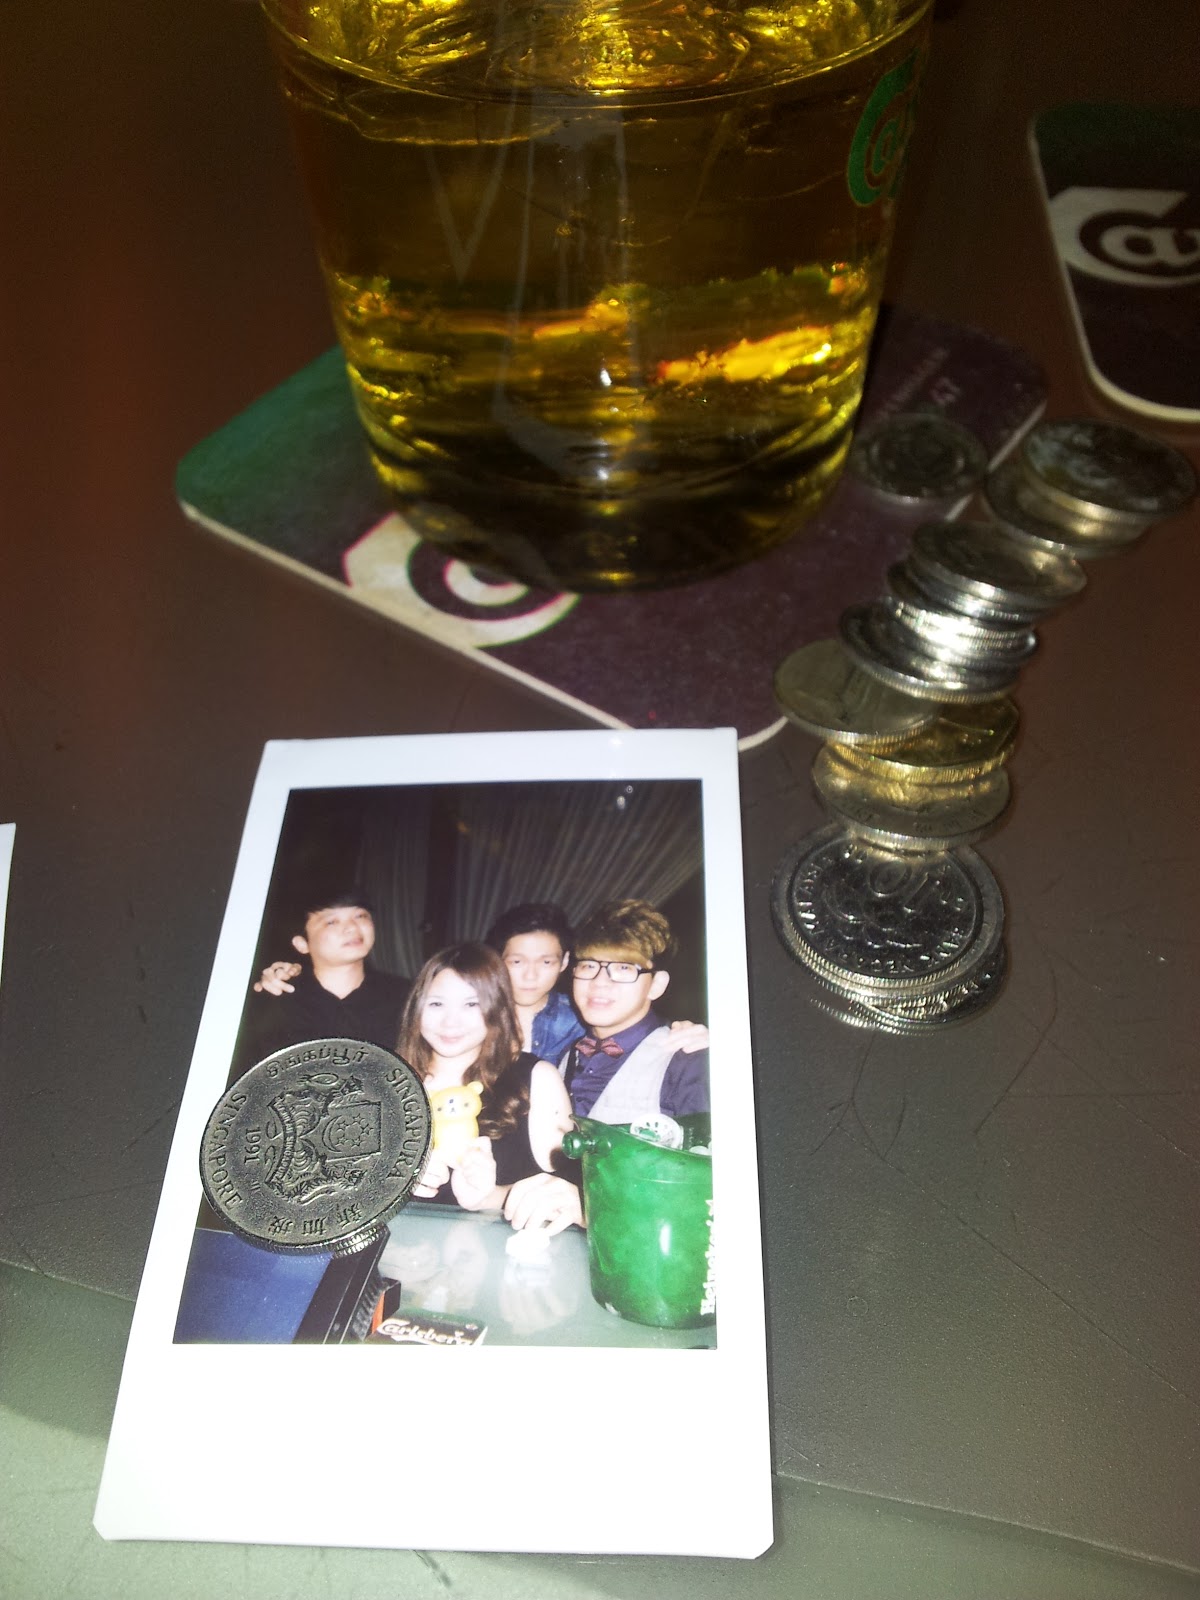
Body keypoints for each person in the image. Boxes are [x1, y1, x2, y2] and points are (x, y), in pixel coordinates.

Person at [399, 942, 582, 1234]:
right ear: (416, 1008)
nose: (450, 1021)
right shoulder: (385, 1081)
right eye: (436, 1004)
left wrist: (489, 1196)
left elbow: (567, 1195)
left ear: (496, 1008)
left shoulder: (535, 1080)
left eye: (471, 1004)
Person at [560, 899, 709, 1124]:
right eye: (589, 965)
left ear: (656, 985)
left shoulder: (688, 1062)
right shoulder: (567, 1055)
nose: (600, 982)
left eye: (623, 968)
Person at [241, 890, 409, 1059]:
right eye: (331, 922)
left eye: (360, 916)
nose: (352, 927)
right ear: (302, 944)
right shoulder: (276, 1000)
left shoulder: (405, 996)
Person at [485, 901, 585, 1062]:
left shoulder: (579, 1022)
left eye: (546, 962)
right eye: (517, 962)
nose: (530, 976)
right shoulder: (474, 1013)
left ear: (564, 962)